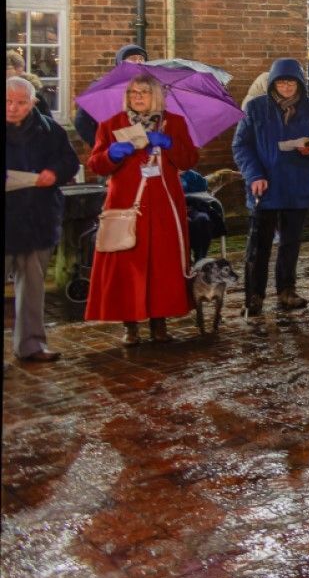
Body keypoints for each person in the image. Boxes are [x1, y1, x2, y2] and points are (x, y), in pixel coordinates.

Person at [85, 72, 198, 345]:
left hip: (163, 206)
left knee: (163, 263)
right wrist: (111, 154)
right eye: (133, 93)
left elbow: (190, 159)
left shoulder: (175, 123)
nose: (136, 97)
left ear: (156, 96)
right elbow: (96, 164)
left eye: (143, 93)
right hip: (126, 204)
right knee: (127, 263)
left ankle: (160, 322)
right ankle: (130, 325)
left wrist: (169, 144)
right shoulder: (111, 124)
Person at [230, 58, 309, 319]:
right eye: (281, 82)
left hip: (298, 185)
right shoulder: (255, 108)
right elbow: (241, 146)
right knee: (258, 245)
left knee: (290, 243)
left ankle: (286, 290)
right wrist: (254, 174)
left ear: (299, 83)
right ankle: (254, 295)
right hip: (264, 187)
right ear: (272, 84)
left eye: (291, 81)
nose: (286, 86)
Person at [6, 76, 80, 363]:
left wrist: (54, 172)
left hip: (38, 217)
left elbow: (69, 161)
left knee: (33, 286)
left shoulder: (50, 131)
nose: (13, 107)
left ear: (33, 103)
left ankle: (31, 344)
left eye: (21, 103)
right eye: (8, 101)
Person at [75, 43, 148, 146]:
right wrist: (99, 144)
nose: (138, 62)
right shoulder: (104, 86)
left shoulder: (150, 88)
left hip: (141, 146)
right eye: (132, 58)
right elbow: (81, 121)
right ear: (121, 63)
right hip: (113, 146)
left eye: (141, 58)